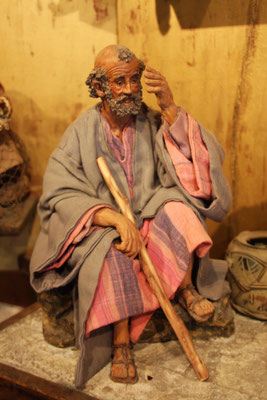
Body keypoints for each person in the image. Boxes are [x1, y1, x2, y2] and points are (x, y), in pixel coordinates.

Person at [30, 45, 231, 388]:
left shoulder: (152, 120)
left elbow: (192, 166)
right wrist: (108, 216)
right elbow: (58, 190)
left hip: (149, 210)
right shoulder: (81, 132)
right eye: (119, 81)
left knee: (179, 210)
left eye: (134, 79)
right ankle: (121, 342)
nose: (129, 89)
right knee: (114, 248)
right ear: (98, 88)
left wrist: (169, 108)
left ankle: (183, 288)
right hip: (107, 226)